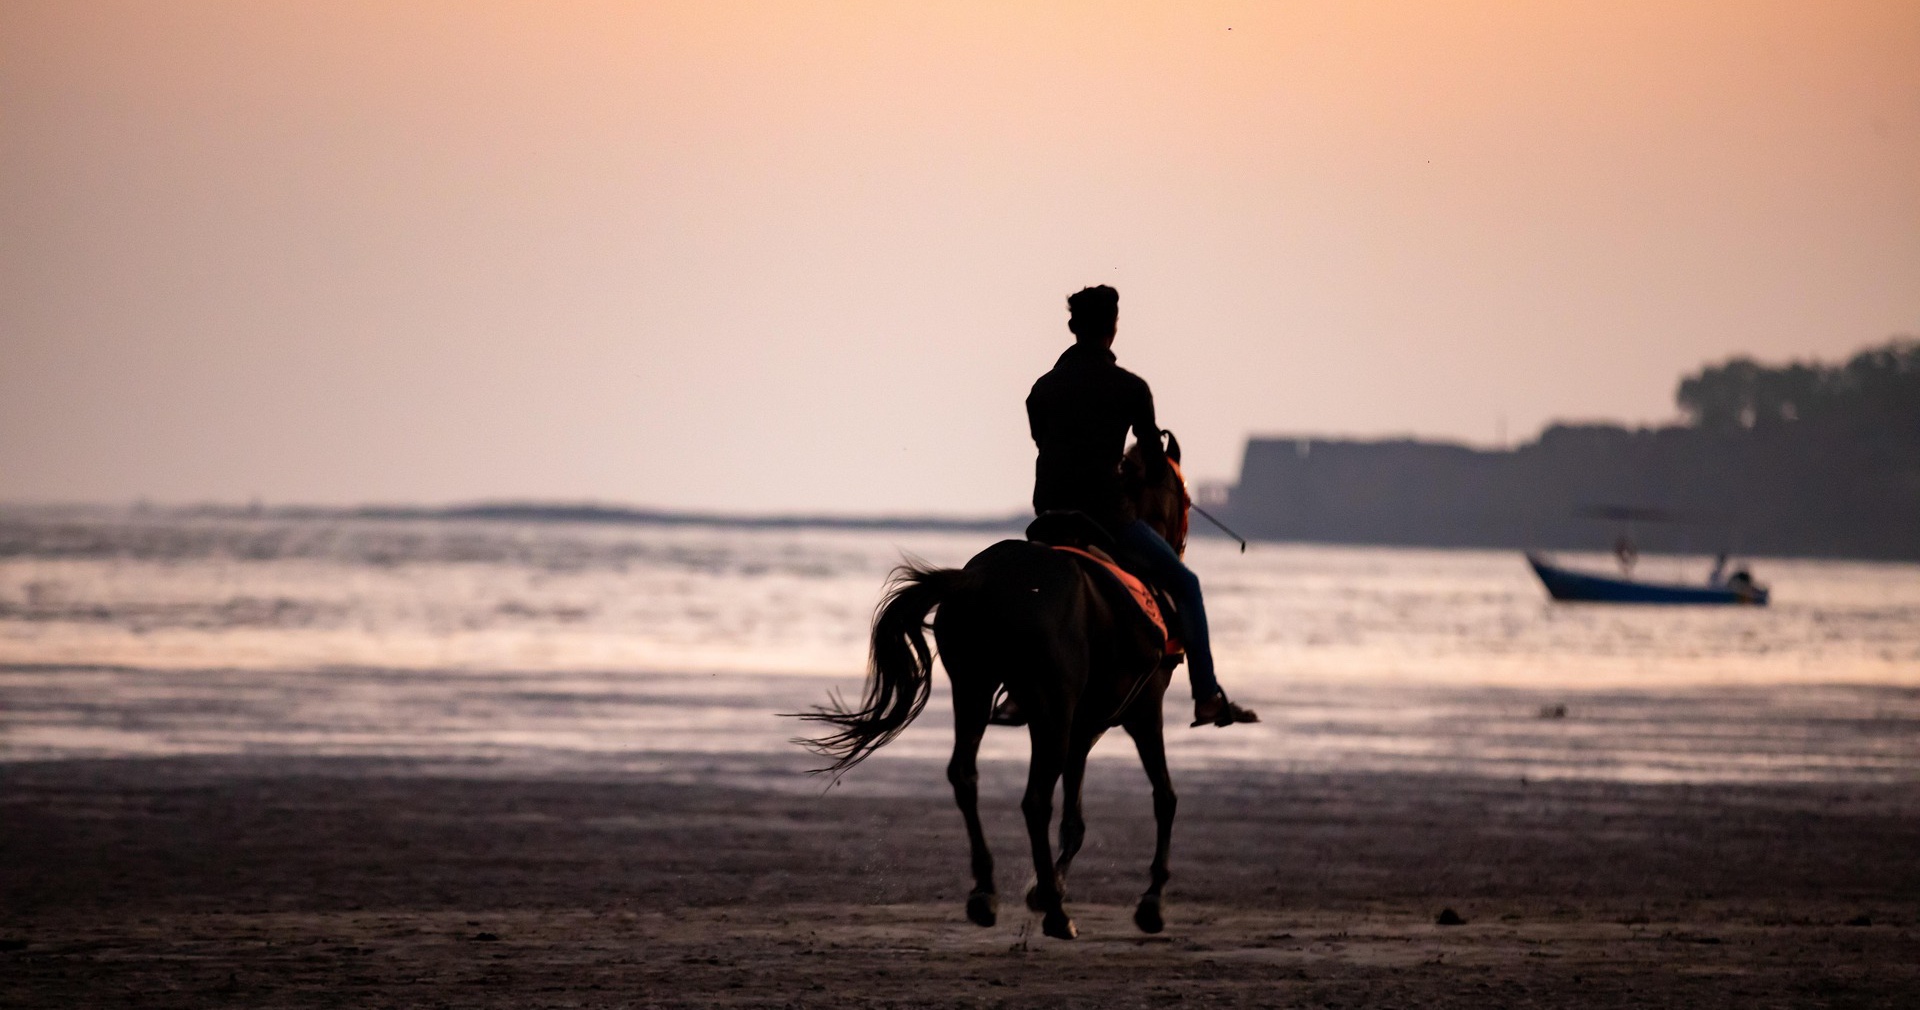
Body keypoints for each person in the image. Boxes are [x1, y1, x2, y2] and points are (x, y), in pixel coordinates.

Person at [1014, 284, 1255, 728]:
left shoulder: (1041, 389)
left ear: (1072, 327)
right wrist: (1134, 474)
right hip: (1108, 519)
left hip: (1048, 515)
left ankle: (1015, 692)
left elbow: (1042, 442)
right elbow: (1157, 466)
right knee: (1186, 585)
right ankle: (1206, 696)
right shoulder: (1130, 388)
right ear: (1114, 328)